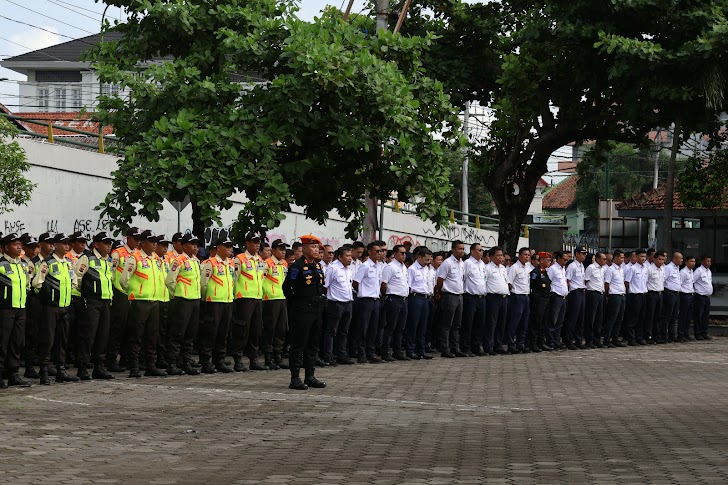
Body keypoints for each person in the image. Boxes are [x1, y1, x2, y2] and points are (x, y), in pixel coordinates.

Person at [32, 233, 79, 384]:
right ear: (56, 245)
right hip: (50, 307)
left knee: (62, 340)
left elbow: (74, 281)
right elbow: (37, 283)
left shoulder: (68, 263)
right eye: (63, 243)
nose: (67, 246)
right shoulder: (48, 262)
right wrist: (46, 296)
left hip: (65, 306)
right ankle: (44, 371)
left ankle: (61, 370)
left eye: (68, 243)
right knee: (48, 339)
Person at [120, 230, 167, 378]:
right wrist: (135, 292)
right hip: (140, 302)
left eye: (155, 242)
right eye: (151, 241)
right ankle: (134, 366)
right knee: (136, 335)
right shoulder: (135, 258)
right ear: (143, 242)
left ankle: (150, 366)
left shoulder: (156, 259)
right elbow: (123, 280)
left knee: (152, 335)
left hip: (154, 301)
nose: (154, 244)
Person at [283, 235, 326, 390]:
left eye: (318, 247)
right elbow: (287, 288)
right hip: (302, 310)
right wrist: (297, 303)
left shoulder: (318, 266)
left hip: (317, 309)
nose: (316, 250)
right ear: (305, 248)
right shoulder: (297, 267)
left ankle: (310, 376)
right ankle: (295, 378)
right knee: (298, 344)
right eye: (313, 247)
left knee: (313, 344)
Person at [73, 232, 115, 380]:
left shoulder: (107, 260)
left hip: (105, 301)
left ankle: (99, 367)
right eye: (105, 243)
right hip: (90, 301)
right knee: (88, 335)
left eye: (110, 243)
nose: (109, 246)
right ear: (96, 244)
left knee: (103, 335)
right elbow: (76, 277)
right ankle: (83, 367)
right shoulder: (87, 258)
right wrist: (84, 294)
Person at [165, 234, 202, 375]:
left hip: (195, 300)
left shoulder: (196, 261)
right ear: (184, 245)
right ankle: (172, 363)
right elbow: (170, 281)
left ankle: (186, 362)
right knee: (178, 333)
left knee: (190, 334)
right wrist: (178, 293)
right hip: (183, 300)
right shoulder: (178, 260)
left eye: (196, 244)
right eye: (192, 244)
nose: (195, 247)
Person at [107, 227, 141, 372]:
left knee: (131, 328)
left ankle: (126, 358)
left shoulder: (139, 254)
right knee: (118, 327)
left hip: (134, 294)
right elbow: (112, 273)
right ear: (128, 238)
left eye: (140, 239)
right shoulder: (118, 253)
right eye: (135, 238)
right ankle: (111, 359)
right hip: (120, 293)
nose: (138, 241)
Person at [199, 237, 236, 373]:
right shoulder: (210, 263)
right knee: (210, 332)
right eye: (227, 247)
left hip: (227, 301)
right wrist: (205, 298)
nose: (230, 250)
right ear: (218, 248)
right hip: (213, 301)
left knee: (223, 332)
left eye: (231, 247)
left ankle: (219, 360)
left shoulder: (231, 263)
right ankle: (206, 361)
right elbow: (204, 283)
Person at [0, 233, 32, 388]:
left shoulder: (22, 264)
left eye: (20, 244)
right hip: (5, 309)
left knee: (16, 343)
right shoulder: (0, 264)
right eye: (15, 244)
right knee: (2, 343)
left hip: (20, 308)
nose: (19, 246)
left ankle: (13, 374)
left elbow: (26, 284)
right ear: (6, 247)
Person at [231, 232, 267, 372]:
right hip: (244, 298)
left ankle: (253, 359)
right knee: (242, 329)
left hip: (257, 298)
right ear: (247, 243)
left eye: (259, 242)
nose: (257, 244)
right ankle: (238, 359)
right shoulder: (239, 259)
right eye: (254, 242)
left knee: (256, 329)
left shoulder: (259, 260)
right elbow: (234, 279)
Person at [322, 245, 355, 365]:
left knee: (344, 331)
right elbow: (325, 286)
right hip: (335, 303)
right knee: (331, 331)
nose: (350, 258)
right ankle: (328, 355)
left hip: (348, 303)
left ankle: (341, 354)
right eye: (347, 256)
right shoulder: (333, 268)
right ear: (340, 257)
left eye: (350, 256)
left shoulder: (349, 270)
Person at [261, 239, 290, 370]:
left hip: (282, 298)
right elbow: (260, 280)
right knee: (270, 328)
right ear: (273, 251)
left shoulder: (284, 263)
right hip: (270, 299)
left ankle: (278, 356)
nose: (283, 251)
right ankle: (268, 356)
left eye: (284, 249)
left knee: (281, 329)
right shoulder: (266, 263)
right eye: (280, 249)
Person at [353, 242, 383, 364]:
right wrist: (362, 292)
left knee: (373, 328)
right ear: (369, 252)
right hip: (366, 300)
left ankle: (371, 352)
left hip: (376, 300)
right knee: (363, 328)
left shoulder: (379, 266)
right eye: (377, 251)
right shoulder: (365, 266)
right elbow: (355, 282)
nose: (379, 254)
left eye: (380, 251)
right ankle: (361, 353)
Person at [435, 240, 466, 358]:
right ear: (453, 249)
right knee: (447, 324)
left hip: (459, 295)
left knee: (457, 324)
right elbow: (440, 280)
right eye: (459, 249)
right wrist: (442, 291)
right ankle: (445, 348)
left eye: (463, 249)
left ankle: (455, 348)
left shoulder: (462, 263)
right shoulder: (447, 263)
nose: (462, 251)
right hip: (449, 295)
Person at [380, 244, 410, 361]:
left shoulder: (403, 267)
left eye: (405, 253)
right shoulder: (390, 267)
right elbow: (384, 284)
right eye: (401, 253)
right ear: (395, 254)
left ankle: (398, 351)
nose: (404, 255)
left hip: (403, 299)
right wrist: (386, 296)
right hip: (393, 298)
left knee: (400, 327)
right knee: (390, 327)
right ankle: (385, 351)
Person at [65, 231, 88, 367]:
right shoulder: (67, 256)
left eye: (84, 242)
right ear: (72, 243)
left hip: (83, 296)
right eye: (79, 242)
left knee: (82, 327)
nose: (82, 244)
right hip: (71, 295)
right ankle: (68, 354)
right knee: (69, 327)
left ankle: (79, 355)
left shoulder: (87, 257)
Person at [20, 234, 41, 379]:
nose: (34, 250)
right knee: (29, 333)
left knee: (36, 333)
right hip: (27, 300)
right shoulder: (22, 262)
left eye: (36, 246)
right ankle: (28, 365)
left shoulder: (38, 262)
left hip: (37, 300)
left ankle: (34, 363)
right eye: (31, 247)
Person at [484, 246, 510, 355]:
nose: (501, 258)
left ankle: (498, 345)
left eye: (501, 255)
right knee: (491, 322)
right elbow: (484, 282)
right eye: (498, 255)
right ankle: (488, 346)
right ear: (491, 257)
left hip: (504, 297)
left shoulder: (503, 268)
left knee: (501, 322)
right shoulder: (487, 268)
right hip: (492, 297)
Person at [462, 243, 487, 356]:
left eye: (482, 250)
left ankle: (476, 347)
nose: (481, 252)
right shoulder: (467, 263)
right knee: (468, 323)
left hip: (482, 297)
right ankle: (466, 347)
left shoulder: (482, 264)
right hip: (470, 297)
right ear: (472, 251)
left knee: (479, 323)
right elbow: (463, 278)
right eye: (478, 250)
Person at [506, 247, 531, 353]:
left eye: (528, 255)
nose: (527, 257)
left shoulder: (528, 267)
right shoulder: (514, 268)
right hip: (517, 297)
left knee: (524, 322)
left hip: (526, 296)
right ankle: (511, 344)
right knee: (514, 322)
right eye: (525, 254)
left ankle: (520, 343)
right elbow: (509, 283)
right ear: (519, 255)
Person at [563, 246, 587, 350]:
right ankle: (568, 340)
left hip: (581, 292)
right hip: (574, 292)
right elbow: (567, 280)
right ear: (577, 254)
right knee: (572, 318)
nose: (584, 255)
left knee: (581, 318)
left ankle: (578, 339)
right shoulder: (572, 266)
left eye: (585, 253)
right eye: (582, 253)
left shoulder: (582, 266)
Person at [154, 236, 173, 369]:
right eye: (163, 245)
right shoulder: (152, 259)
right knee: (154, 331)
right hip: (155, 299)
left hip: (166, 298)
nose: (165, 248)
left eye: (167, 245)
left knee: (164, 330)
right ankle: (151, 358)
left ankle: (161, 357)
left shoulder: (166, 261)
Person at [528, 252, 552, 352]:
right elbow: (531, 286)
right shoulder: (535, 272)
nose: (549, 262)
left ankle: (541, 342)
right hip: (538, 300)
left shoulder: (545, 272)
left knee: (543, 322)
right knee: (536, 322)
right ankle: (533, 343)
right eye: (548, 260)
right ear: (541, 260)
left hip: (546, 299)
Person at [603, 250, 627, 348]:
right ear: (615, 258)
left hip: (622, 295)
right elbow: (607, 284)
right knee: (612, 319)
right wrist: (608, 296)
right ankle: (607, 339)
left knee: (619, 319)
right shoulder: (610, 269)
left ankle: (615, 338)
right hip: (614, 295)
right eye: (621, 257)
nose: (622, 259)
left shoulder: (621, 269)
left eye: (623, 257)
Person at [624, 249, 648, 346]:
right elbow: (627, 282)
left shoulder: (645, 268)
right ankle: (631, 338)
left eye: (644, 257)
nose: (643, 258)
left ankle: (639, 337)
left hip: (643, 294)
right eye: (641, 256)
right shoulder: (632, 268)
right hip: (634, 295)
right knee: (633, 317)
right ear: (636, 257)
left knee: (641, 317)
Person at [546, 251, 568, 350]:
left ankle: (556, 340)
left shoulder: (563, 269)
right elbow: (548, 283)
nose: (566, 261)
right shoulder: (553, 269)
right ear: (558, 258)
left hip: (563, 297)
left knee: (560, 321)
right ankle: (550, 341)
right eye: (564, 259)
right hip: (555, 296)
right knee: (552, 320)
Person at [583, 252, 606, 348]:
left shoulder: (603, 269)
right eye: (603, 259)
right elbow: (586, 280)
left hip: (600, 293)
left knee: (599, 318)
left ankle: (597, 339)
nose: (604, 261)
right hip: (592, 293)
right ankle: (589, 340)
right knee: (591, 318)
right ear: (597, 259)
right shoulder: (591, 268)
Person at [645, 250, 666, 344]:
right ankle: (648, 335)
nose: (661, 261)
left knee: (658, 316)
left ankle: (656, 335)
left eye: (663, 259)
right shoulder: (649, 269)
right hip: (651, 294)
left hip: (660, 293)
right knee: (650, 316)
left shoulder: (662, 269)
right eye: (659, 259)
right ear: (654, 259)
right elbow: (645, 282)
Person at [662, 252, 683, 343]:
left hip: (676, 293)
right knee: (667, 315)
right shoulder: (669, 268)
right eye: (680, 258)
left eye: (682, 258)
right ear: (674, 259)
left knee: (674, 315)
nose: (681, 260)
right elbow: (663, 280)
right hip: (669, 293)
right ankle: (664, 335)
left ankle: (672, 335)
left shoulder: (677, 268)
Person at [693, 255, 713, 340]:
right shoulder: (699, 271)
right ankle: (697, 333)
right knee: (698, 315)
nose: (709, 263)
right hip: (699, 296)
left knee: (705, 316)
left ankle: (704, 332)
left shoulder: (708, 271)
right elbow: (692, 281)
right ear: (702, 262)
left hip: (706, 297)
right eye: (707, 261)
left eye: (710, 261)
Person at [677, 256, 696, 342]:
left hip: (691, 295)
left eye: (694, 261)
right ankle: (680, 334)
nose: (693, 263)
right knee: (683, 315)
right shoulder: (683, 272)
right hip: (684, 295)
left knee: (689, 316)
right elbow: (679, 284)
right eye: (691, 261)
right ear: (686, 262)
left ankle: (686, 333)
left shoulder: (691, 271)